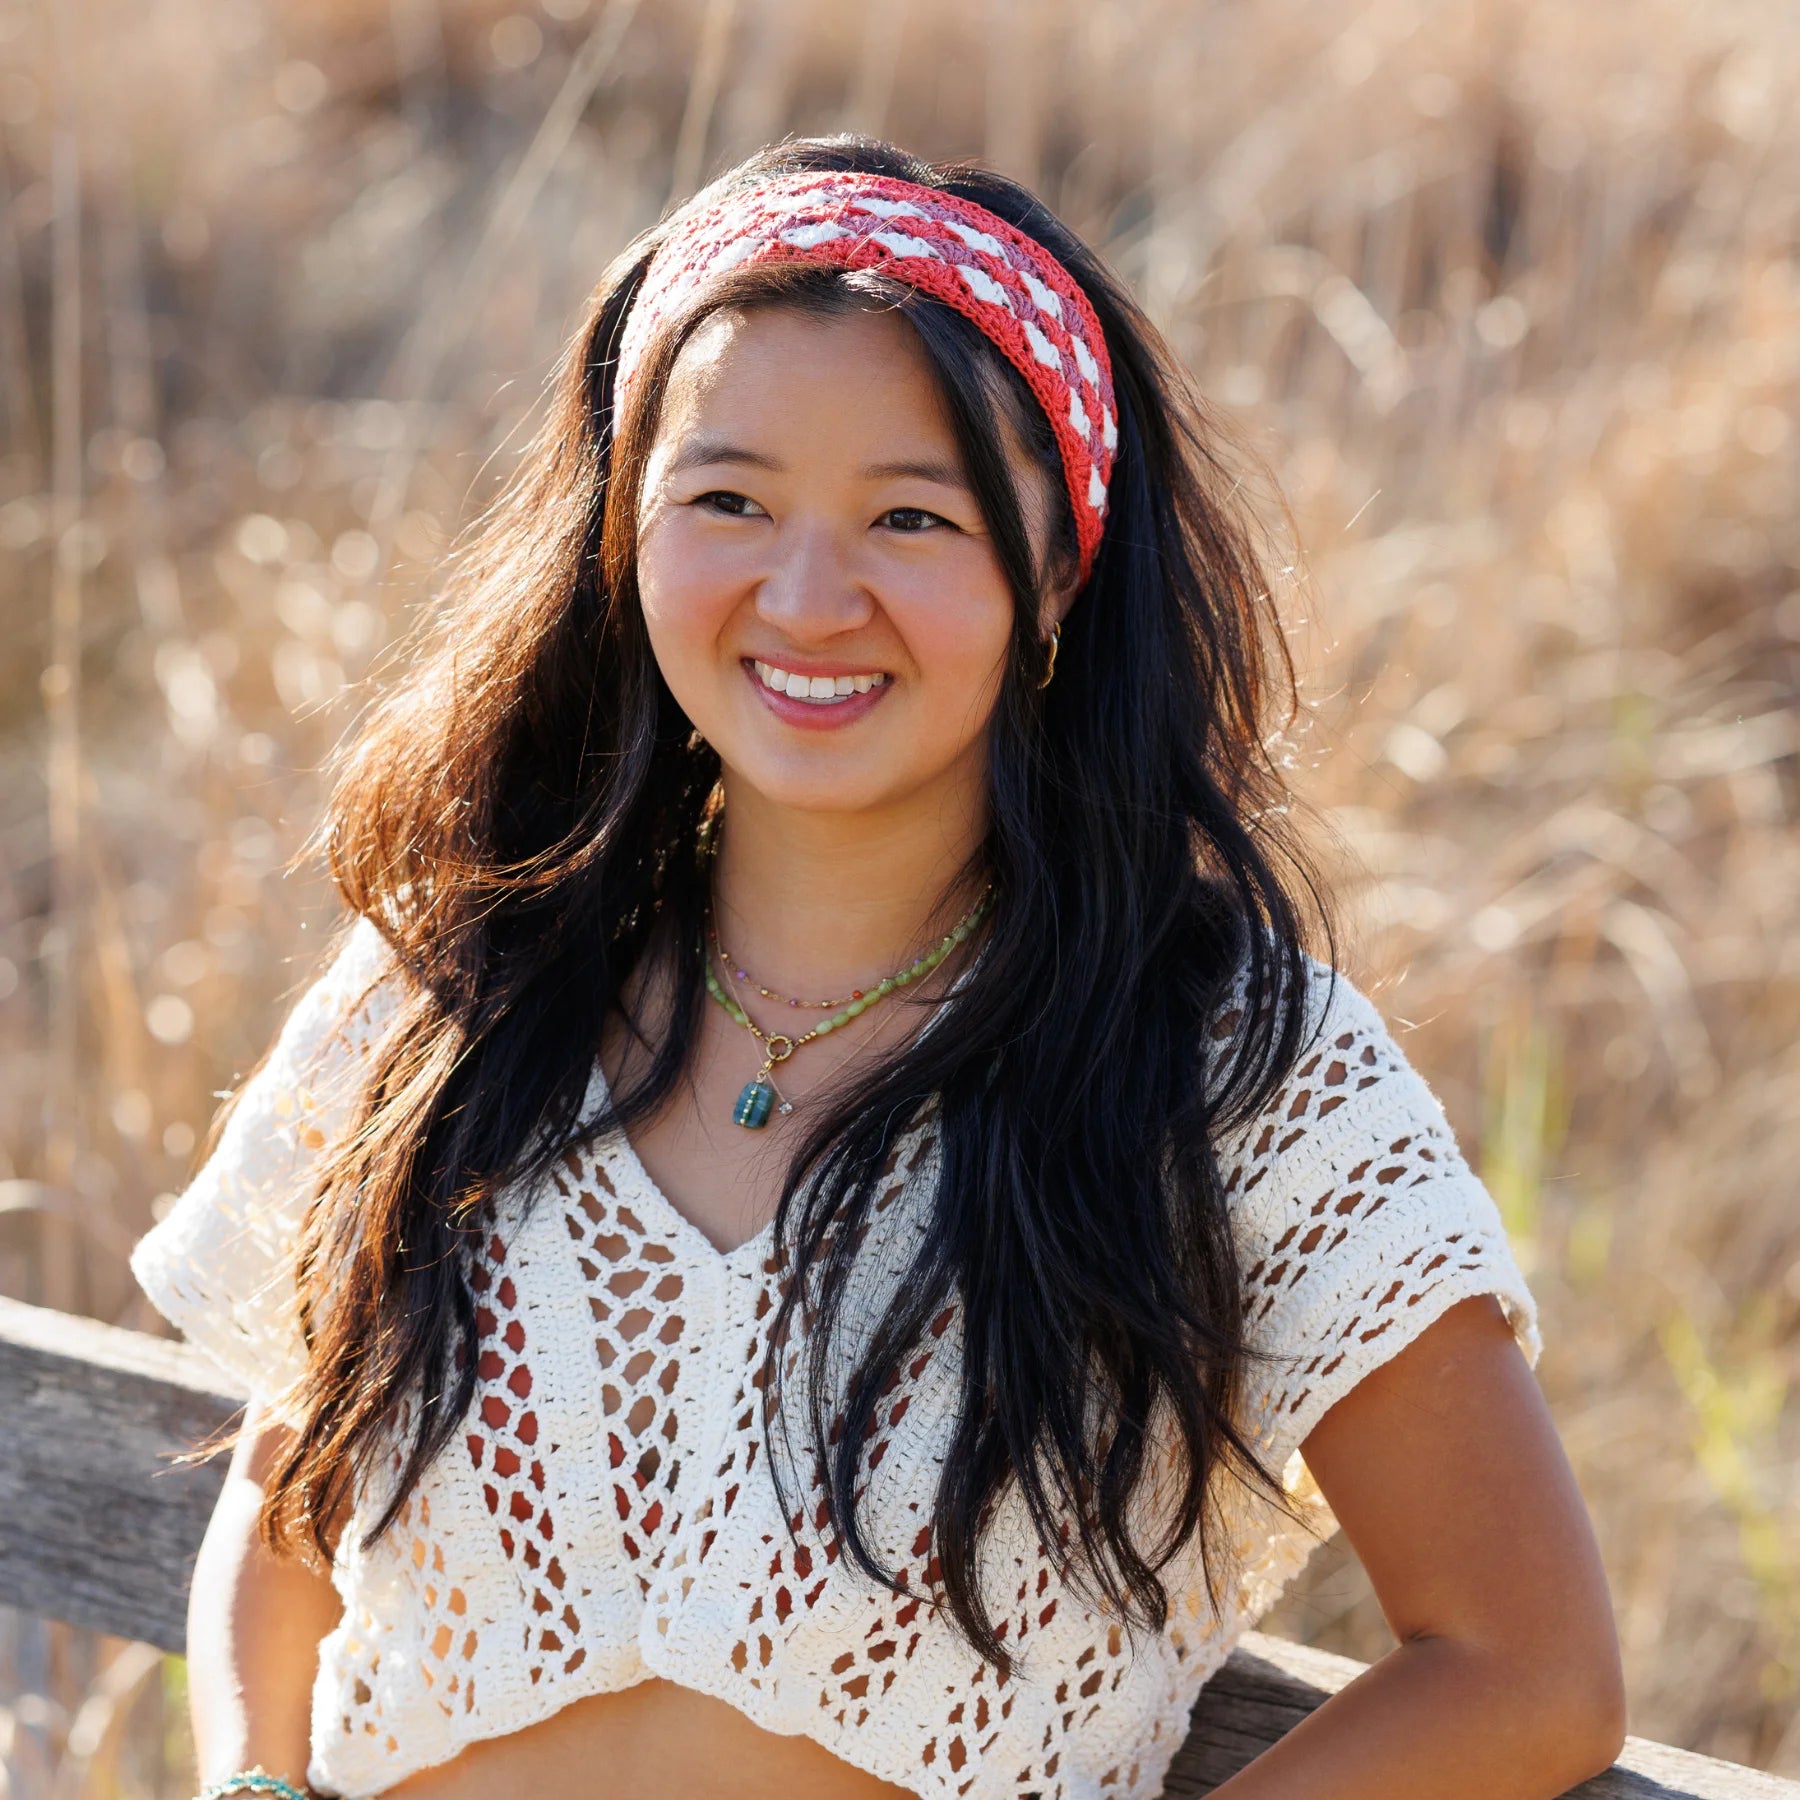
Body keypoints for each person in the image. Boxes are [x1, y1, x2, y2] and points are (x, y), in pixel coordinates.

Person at [132, 135, 1625, 1800]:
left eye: (911, 515)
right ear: (626, 533)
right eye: (729, 499)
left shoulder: (1233, 1066)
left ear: (1058, 564)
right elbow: (290, 1503)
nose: (808, 594)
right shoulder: (463, 979)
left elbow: (1527, 1668)